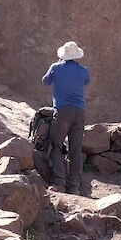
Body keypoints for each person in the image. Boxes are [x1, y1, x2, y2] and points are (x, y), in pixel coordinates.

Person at [42, 41, 91, 195]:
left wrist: (58, 65)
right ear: (77, 55)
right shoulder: (83, 70)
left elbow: (45, 81)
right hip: (79, 111)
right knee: (75, 149)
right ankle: (75, 185)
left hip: (62, 111)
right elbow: (86, 82)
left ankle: (59, 182)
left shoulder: (56, 68)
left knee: (56, 146)